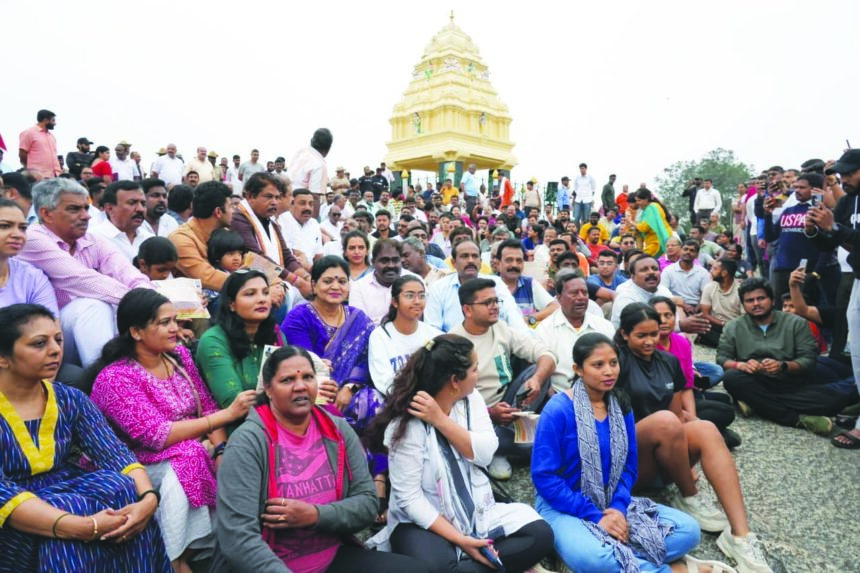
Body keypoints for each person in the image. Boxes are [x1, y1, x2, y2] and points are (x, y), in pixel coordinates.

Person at [210, 346, 425, 573]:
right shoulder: (247, 443)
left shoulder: (337, 430)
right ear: (269, 389)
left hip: (329, 559)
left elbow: (367, 503)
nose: (300, 386)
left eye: (307, 377)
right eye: (287, 380)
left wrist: (315, 515)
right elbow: (238, 538)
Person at [532, 332, 731, 573]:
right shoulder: (558, 410)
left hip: (610, 501)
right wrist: (596, 516)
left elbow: (629, 467)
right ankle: (676, 569)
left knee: (688, 531)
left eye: (613, 363)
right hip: (563, 506)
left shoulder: (621, 406)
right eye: (598, 365)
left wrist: (617, 508)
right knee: (595, 559)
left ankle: (605, 558)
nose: (609, 371)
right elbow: (545, 477)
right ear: (578, 369)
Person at [89, 289, 256, 570]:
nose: (175, 329)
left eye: (175, 321)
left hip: (189, 450)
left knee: (210, 453)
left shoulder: (178, 357)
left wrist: (221, 450)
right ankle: (175, 559)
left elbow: (207, 406)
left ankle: (209, 549)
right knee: (189, 456)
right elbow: (156, 436)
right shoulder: (115, 378)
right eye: (164, 323)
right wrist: (228, 415)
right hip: (133, 461)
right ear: (136, 332)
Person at [0, 303, 171, 572]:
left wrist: (148, 500)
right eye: (39, 343)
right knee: (73, 507)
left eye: (58, 340)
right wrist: (82, 526)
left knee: (121, 488)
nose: (55, 350)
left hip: (70, 500)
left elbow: (114, 453)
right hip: (14, 519)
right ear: (3, 357)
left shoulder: (70, 399)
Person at [366, 334, 554, 572]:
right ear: (455, 380)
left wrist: (441, 420)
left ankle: (469, 561)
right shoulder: (408, 424)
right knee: (440, 568)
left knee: (540, 535)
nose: (478, 374)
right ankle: (479, 560)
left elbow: (486, 453)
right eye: (474, 369)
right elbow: (409, 499)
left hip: (474, 504)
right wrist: (460, 539)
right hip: (422, 521)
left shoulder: (471, 399)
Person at [616, 303, 773, 572]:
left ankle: (740, 536)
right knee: (666, 421)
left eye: (654, 334)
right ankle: (688, 492)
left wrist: (692, 454)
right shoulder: (616, 363)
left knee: (707, 428)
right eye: (641, 335)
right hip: (629, 464)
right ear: (624, 334)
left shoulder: (668, 361)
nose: (650, 341)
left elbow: (678, 414)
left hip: (666, 458)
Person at [20, 179, 154, 368]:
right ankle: (107, 376)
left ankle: (135, 370)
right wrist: (144, 303)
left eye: (86, 208)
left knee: (120, 303)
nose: (86, 216)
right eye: (74, 209)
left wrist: (152, 301)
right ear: (46, 214)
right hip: (43, 336)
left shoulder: (92, 240)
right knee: (94, 305)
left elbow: (128, 274)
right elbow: (81, 279)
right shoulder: (32, 238)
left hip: (82, 332)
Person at [450, 277, 557, 479]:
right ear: (467, 310)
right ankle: (502, 447)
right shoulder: (454, 344)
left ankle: (505, 445)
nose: (494, 307)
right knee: (550, 446)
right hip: (478, 419)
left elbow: (546, 354)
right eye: (487, 303)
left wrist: (537, 380)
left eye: (496, 301)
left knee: (538, 370)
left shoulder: (500, 328)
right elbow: (452, 404)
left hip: (509, 406)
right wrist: (490, 413)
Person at [718, 278, 838, 436]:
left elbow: (809, 360)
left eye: (761, 298)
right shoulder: (733, 326)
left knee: (834, 400)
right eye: (750, 300)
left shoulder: (797, 323)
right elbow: (722, 358)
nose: (756, 304)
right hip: (754, 379)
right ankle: (797, 419)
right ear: (743, 304)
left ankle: (755, 402)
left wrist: (783, 366)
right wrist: (740, 365)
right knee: (731, 378)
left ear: (772, 300)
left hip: (790, 383)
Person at [281, 256, 381, 433]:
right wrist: (328, 387)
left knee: (377, 404)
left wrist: (349, 388)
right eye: (327, 281)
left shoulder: (358, 318)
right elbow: (304, 362)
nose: (335, 287)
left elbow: (369, 358)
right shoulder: (298, 318)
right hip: (313, 392)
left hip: (353, 391)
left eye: (342, 281)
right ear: (314, 285)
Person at [806, 148, 860, 449]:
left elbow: (841, 232)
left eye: (850, 173)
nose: (844, 179)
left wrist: (834, 228)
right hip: (857, 279)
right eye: (841, 174)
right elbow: (832, 242)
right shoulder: (849, 201)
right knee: (857, 350)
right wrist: (815, 230)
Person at [197, 270, 287, 428]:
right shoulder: (213, 341)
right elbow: (234, 401)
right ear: (231, 304)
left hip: (282, 419)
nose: (261, 299)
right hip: (239, 429)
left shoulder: (274, 333)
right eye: (250, 294)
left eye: (265, 292)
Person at [651, 296, 737, 449]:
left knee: (726, 409)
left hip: (681, 402)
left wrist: (693, 420)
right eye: (657, 317)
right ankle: (714, 436)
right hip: (658, 407)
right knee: (717, 411)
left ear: (675, 318)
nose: (663, 321)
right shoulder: (648, 346)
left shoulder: (682, 342)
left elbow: (686, 387)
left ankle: (696, 433)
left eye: (668, 315)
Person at [231, 172, 311, 299]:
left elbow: (287, 258)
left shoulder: (271, 222)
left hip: (277, 282)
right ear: (250, 196)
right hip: (251, 287)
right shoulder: (238, 218)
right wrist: (298, 282)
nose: (274, 202)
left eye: (277, 197)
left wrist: (307, 278)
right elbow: (256, 258)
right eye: (268, 196)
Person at [426, 239, 529, 334]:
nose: (471, 260)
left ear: (481, 261)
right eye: (464, 256)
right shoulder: (439, 288)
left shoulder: (496, 283)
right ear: (453, 263)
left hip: (493, 343)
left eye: (475, 256)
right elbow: (432, 328)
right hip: (452, 344)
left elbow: (512, 315)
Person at [536, 272, 616, 389]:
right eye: (574, 293)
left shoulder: (604, 326)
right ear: (559, 298)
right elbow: (538, 371)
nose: (581, 297)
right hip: (560, 395)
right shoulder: (545, 330)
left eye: (584, 292)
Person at [368, 276, 442, 395]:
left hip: (430, 399)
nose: (417, 301)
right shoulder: (380, 336)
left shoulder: (435, 335)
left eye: (422, 296)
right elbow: (384, 381)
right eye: (409, 296)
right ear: (395, 302)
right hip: (395, 399)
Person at [350, 239, 411, 325]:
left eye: (395, 260)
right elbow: (359, 324)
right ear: (373, 262)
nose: (391, 265)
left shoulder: (415, 282)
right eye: (384, 261)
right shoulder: (359, 287)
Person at [90, 180, 153, 262]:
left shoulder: (150, 239)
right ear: (110, 209)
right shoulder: (93, 240)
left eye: (143, 204)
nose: (140, 209)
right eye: (132, 203)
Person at [698, 257, 742, 348]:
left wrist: (731, 325)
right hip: (717, 324)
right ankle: (730, 344)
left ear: (724, 273)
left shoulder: (741, 290)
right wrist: (723, 323)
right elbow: (705, 314)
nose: (710, 271)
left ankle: (724, 343)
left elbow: (746, 318)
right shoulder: (709, 287)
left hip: (736, 326)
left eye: (714, 269)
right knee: (701, 325)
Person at [289, 128, 332, 219]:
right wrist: (314, 221)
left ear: (311, 141)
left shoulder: (300, 152)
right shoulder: (319, 164)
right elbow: (315, 196)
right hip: (300, 208)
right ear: (329, 148)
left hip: (286, 203)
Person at [660, 240, 711, 315]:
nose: (688, 252)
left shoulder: (703, 273)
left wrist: (696, 310)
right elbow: (663, 292)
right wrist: (684, 305)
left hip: (697, 307)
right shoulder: (668, 271)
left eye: (692, 250)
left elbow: (705, 295)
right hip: (675, 305)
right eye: (685, 249)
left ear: (697, 255)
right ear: (680, 251)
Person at [629, 188, 673, 257]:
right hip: (657, 240)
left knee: (644, 260)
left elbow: (644, 227)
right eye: (636, 200)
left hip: (657, 242)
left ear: (646, 199)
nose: (637, 203)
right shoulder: (653, 206)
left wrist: (631, 222)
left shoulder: (651, 208)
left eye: (639, 200)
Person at [18, 109, 61, 179]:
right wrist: (30, 169)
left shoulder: (51, 136)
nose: (55, 123)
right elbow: (22, 154)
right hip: (37, 176)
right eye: (53, 120)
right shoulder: (29, 133)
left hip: (54, 176)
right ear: (46, 120)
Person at [573, 163, 596, 227]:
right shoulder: (577, 178)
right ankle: (576, 231)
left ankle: (585, 231)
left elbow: (593, 189)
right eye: (580, 168)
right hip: (578, 200)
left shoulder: (590, 177)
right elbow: (575, 188)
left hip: (587, 200)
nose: (582, 170)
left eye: (583, 168)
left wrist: (589, 197)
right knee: (576, 217)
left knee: (586, 218)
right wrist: (578, 194)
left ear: (586, 169)